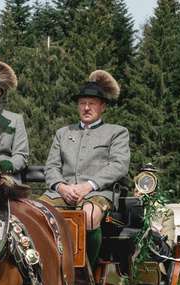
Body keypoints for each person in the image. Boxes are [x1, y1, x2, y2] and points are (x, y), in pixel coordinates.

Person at [41, 69, 130, 266]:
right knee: (36, 215)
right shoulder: (63, 133)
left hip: (98, 193)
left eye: (92, 103)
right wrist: (61, 187)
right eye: (82, 103)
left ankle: (86, 270)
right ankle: (45, 269)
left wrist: (88, 186)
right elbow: (52, 167)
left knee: (88, 218)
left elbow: (119, 165)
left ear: (102, 106)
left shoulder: (116, 133)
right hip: (61, 193)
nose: (86, 108)